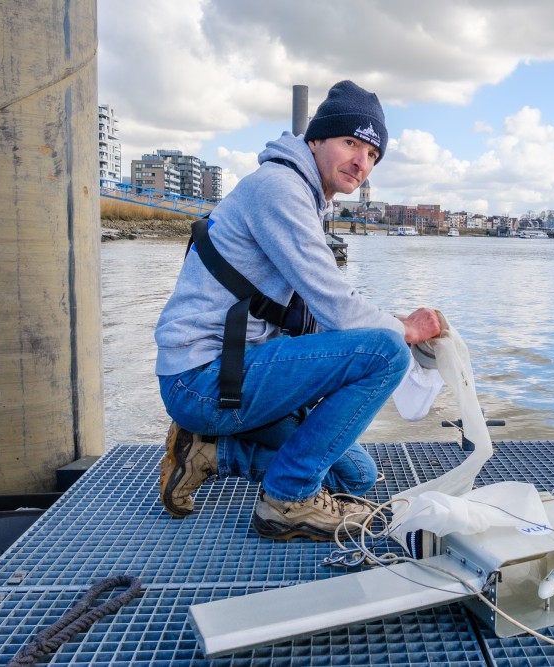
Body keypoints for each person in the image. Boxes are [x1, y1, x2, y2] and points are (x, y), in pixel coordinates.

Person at [154, 80, 442, 541]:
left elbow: (321, 315)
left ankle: (208, 453)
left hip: (231, 373)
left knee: (355, 478)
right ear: (316, 139)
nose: (360, 162)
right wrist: (404, 327)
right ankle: (286, 501)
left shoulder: (305, 195)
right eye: (351, 143)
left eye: (372, 155)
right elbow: (335, 305)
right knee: (388, 352)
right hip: (205, 380)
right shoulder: (280, 189)